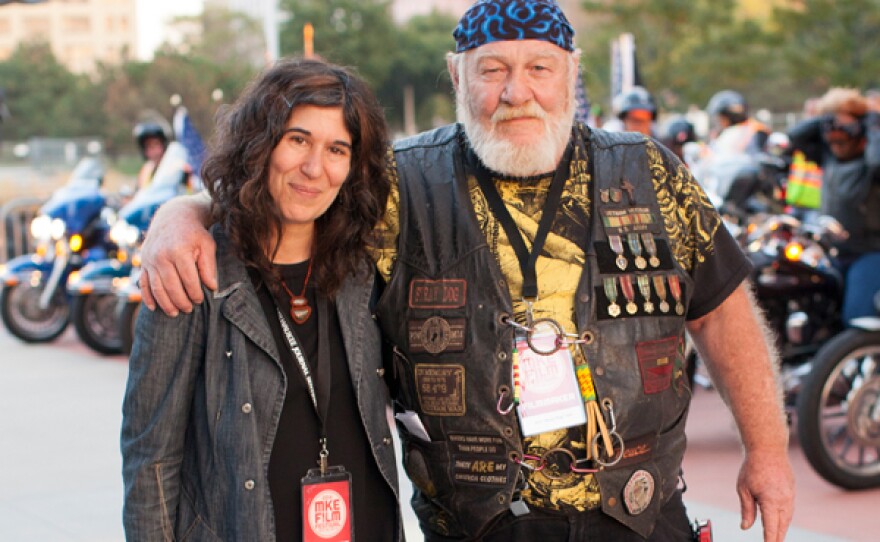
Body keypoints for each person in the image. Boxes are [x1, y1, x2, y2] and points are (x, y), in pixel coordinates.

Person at [136, 1, 795, 540]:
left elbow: (721, 311)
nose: (517, 92)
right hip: (478, 528)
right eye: (492, 70)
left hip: (640, 515)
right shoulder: (398, 184)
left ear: (571, 74)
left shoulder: (649, 171)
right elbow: (296, 198)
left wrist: (767, 452)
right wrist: (184, 214)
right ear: (457, 78)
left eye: (540, 67)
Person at [120, 57, 402, 541]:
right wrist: (178, 213)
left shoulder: (364, 268)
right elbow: (150, 458)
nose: (315, 168)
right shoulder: (190, 273)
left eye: (337, 149)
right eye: (298, 140)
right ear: (259, 143)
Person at [787, 87, 880, 324]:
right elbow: (795, 136)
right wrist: (827, 116)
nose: (836, 138)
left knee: (857, 318)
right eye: (831, 129)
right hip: (832, 254)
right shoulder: (828, 156)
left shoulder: (870, 164)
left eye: (844, 129)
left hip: (869, 253)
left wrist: (871, 121)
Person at [132, 121, 169, 189]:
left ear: (163, 145)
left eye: (156, 144)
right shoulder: (146, 170)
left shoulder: (174, 168)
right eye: (149, 146)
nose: (154, 150)